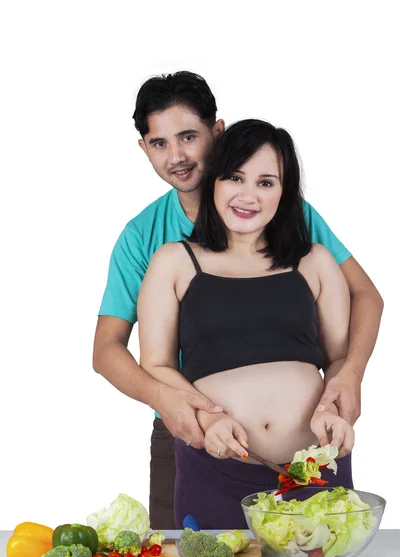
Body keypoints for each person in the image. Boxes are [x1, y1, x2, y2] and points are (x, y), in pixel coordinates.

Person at [93, 71, 383, 529]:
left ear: (217, 132)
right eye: (159, 143)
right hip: (195, 438)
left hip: (311, 461)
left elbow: (361, 305)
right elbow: (111, 350)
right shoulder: (152, 245)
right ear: (144, 148)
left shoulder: (300, 233)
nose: (178, 156)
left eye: (188, 136)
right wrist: (185, 411)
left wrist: (350, 378)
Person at [137, 118, 355, 529]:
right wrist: (206, 419)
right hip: (217, 467)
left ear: (285, 191)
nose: (248, 195)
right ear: (215, 181)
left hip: (314, 470)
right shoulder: (173, 262)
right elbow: (157, 365)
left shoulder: (315, 262)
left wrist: (335, 411)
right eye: (235, 177)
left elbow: (340, 360)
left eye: (266, 182)